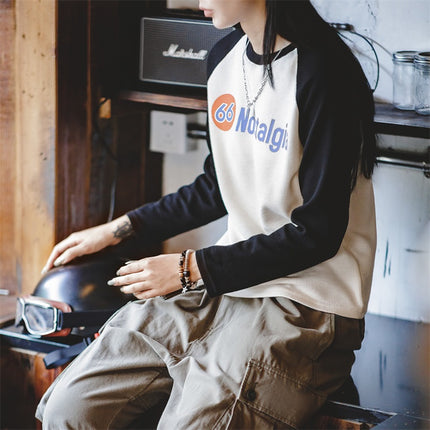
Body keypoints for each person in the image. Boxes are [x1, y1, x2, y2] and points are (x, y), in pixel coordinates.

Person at [36, 0, 377, 428]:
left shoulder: (323, 72)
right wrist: (119, 229)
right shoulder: (223, 60)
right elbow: (217, 186)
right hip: (226, 284)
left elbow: (318, 233)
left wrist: (188, 267)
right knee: (69, 408)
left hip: (306, 303)